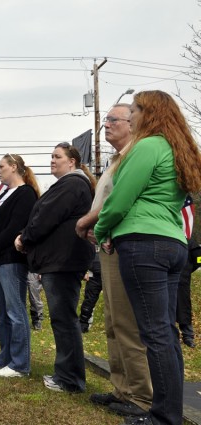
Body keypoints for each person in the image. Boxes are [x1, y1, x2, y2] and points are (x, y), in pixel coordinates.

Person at [94, 90, 201, 425]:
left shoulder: (149, 146)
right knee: (164, 334)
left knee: (153, 333)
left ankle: (162, 415)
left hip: (144, 244)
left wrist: (101, 231)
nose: (133, 115)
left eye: (137, 109)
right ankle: (165, 410)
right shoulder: (176, 148)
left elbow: (121, 198)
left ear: (150, 113)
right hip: (172, 244)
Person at [76, 103, 153, 418]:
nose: (105, 124)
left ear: (132, 124)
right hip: (107, 245)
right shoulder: (114, 161)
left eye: (112, 119)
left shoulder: (135, 157)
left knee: (127, 323)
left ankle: (142, 396)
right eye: (104, 119)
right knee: (112, 321)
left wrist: (91, 223)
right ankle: (122, 389)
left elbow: (119, 201)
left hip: (125, 244)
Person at [15, 143, 95, 393]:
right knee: (62, 319)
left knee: (64, 320)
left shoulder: (72, 184)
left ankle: (69, 379)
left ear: (72, 162)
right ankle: (67, 375)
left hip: (64, 261)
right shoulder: (67, 184)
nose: (52, 160)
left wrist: (24, 238)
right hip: (59, 261)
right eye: (51, 156)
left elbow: (45, 217)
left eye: (57, 157)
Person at [0, 154, 39, 378]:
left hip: (12, 259)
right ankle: (4, 358)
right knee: (1, 311)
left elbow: (14, 226)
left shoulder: (25, 194)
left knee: (15, 312)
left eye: (1, 166)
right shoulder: (5, 193)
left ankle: (20, 364)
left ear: (14, 167)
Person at [177, 237, 201, 348]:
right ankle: (171, 335)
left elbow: (199, 258)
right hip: (165, 279)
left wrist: (188, 269)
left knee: (183, 306)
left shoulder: (189, 240)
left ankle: (188, 335)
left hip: (182, 280)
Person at [79, 253, 102, 333]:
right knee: (89, 301)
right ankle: (83, 325)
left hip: (111, 273)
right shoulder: (91, 241)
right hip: (94, 274)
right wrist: (85, 271)